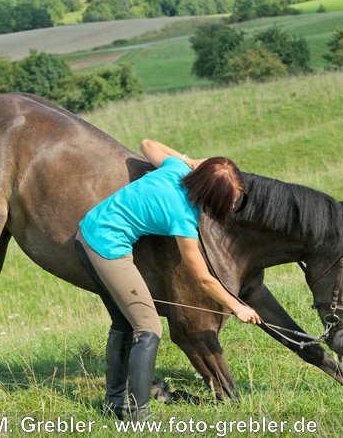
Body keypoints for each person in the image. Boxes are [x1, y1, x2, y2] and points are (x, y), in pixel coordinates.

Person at [74, 139, 261, 420]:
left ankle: (114, 403)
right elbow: (203, 279)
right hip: (105, 247)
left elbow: (148, 144)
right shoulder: (183, 215)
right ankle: (140, 415)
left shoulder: (175, 170)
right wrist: (238, 307)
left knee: (125, 321)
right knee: (149, 328)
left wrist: (188, 160)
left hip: (89, 231)